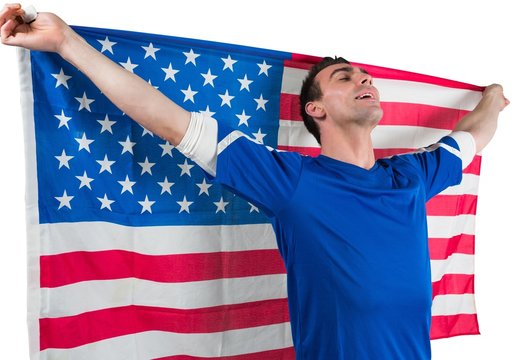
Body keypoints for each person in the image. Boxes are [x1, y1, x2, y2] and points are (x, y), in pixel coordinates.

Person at [1, 4, 510, 359]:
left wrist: (493, 95)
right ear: (315, 110)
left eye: (365, 77)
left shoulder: (412, 177)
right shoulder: (291, 180)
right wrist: (66, 42)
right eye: (346, 78)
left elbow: (472, 134)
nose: (365, 82)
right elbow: (167, 119)